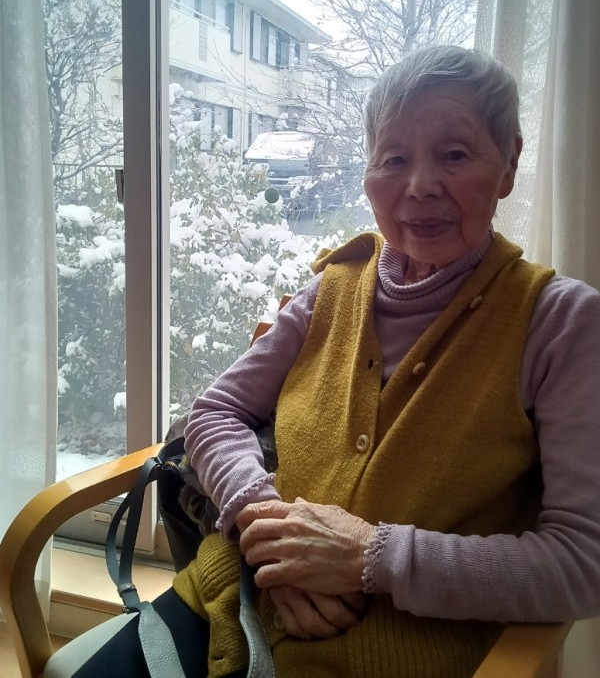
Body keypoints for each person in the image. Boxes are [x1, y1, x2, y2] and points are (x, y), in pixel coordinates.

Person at [76, 45, 600, 678]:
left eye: (456, 154)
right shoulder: (333, 286)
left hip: (404, 651)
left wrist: (369, 557)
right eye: (394, 159)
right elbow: (214, 412)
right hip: (230, 597)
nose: (420, 185)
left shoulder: (560, 322)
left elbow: (582, 562)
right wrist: (270, 538)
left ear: (509, 163)